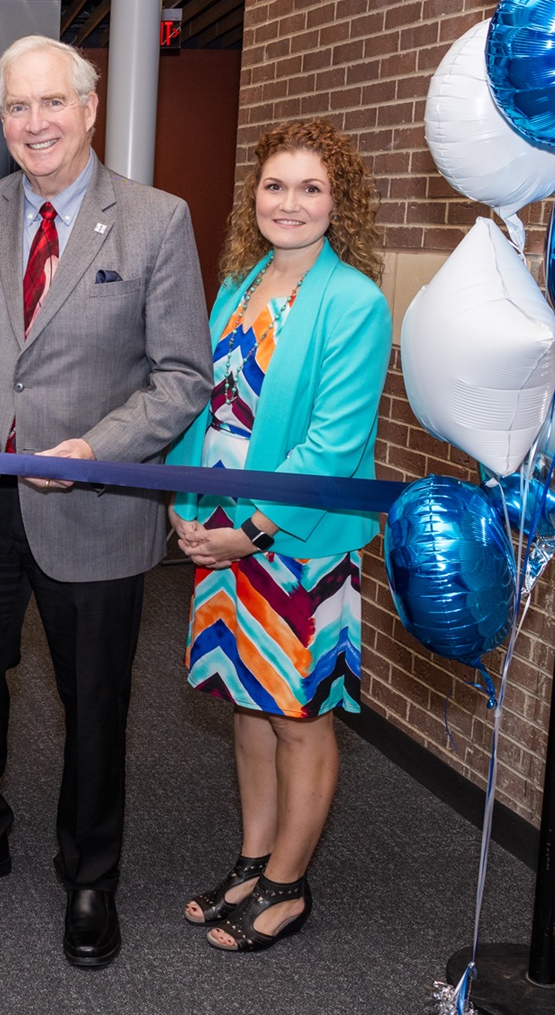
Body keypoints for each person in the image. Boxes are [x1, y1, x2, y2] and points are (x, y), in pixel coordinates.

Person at [0, 35, 212, 970]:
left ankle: (89, 873)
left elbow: (182, 378)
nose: (33, 124)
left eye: (50, 104)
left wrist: (97, 448)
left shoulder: (155, 220)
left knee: (94, 702)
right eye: (17, 108)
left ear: (90, 108)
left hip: (94, 511)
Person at [166, 118, 390, 952]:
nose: (288, 203)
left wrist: (251, 534)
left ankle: (290, 885)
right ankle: (253, 859)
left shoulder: (355, 302)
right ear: (252, 196)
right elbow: (205, 406)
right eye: (274, 185)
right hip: (221, 537)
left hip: (297, 545)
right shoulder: (240, 284)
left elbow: (332, 444)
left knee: (300, 714)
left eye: (310, 188)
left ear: (340, 204)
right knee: (247, 703)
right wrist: (184, 506)